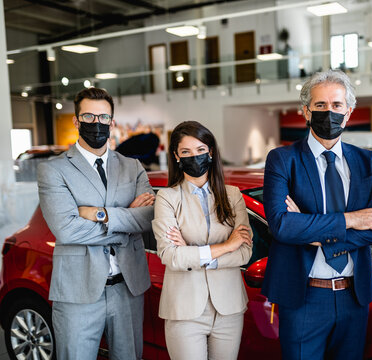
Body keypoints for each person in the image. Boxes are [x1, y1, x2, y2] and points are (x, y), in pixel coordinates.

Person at [262, 69, 372, 360]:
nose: (328, 112)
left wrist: (312, 233)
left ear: (348, 113)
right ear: (305, 112)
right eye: (320, 106)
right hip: (304, 296)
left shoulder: (367, 161)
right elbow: (282, 225)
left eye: (336, 105)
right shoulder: (283, 160)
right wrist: (351, 219)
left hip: (353, 296)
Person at [37, 87, 155, 359]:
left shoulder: (132, 166)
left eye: (104, 117)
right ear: (76, 121)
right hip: (77, 290)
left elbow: (149, 217)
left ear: (112, 122)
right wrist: (126, 223)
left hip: (128, 287)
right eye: (89, 117)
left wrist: (100, 213)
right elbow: (66, 229)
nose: (97, 124)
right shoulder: (54, 170)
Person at [152, 121, 253, 360]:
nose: (194, 157)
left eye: (199, 150)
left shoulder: (233, 195)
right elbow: (171, 256)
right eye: (185, 152)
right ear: (176, 156)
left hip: (228, 308)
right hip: (185, 310)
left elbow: (245, 252)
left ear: (211, 152)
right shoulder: (167, 198)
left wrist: (192, 252)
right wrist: (227, 245)